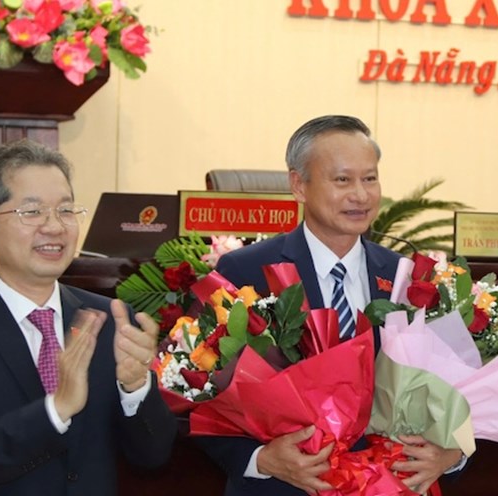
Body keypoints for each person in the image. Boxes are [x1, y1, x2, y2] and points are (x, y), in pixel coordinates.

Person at [194, 115, 465, 495]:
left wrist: (453, 453)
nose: (361, 195)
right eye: (342, 180)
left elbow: (456, 388)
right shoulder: (245, 271)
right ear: (298, 185)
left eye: (369, 179)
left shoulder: (408, 277)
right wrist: (260, 459)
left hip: (391, 484)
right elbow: (202, 390)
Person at [0, 139, 177, 495]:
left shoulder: (108, 320)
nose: (54, 227)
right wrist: (55, 410)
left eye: (66, 210)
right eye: (32, 211)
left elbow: (153, 457)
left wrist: (135, 388)